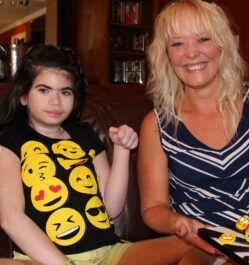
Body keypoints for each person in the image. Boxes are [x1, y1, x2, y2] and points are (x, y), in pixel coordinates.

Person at [0, 45, 192, 265]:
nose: (56, 101)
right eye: (44, 90)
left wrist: (121, 150)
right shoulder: (10, 141)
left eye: (65, 92)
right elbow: (11, 218)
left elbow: (111, 208)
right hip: (45, 260)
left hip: (109, 254)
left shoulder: (84, 135)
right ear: (23, 97)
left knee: (197, 245)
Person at [137, 0, 249, 264]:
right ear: (165, 55)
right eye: (177, 43)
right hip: (194, 242)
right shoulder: (155, 125)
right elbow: (153, 208)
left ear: (223, 45)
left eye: (203, 39)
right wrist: (180, 224)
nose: (191, 52)